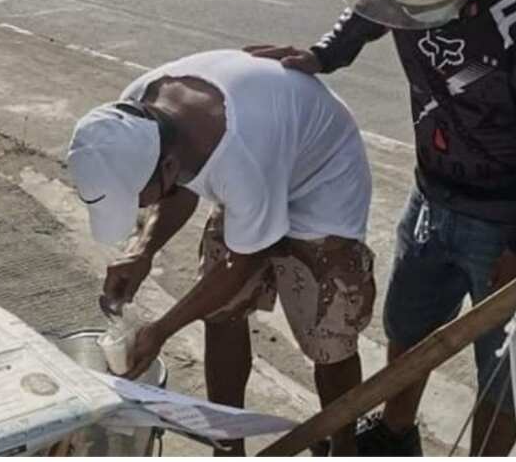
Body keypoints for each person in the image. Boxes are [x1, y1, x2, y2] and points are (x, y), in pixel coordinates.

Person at [248, 0, 516, 456]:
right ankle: (395, 432)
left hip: (506, 221)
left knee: (503, 365)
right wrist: (325, 54)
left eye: (428, 10)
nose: (413, 21)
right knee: (408, 325)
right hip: (431, 195)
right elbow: (370, 9)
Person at [66, 49, 376, 456]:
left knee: (328, 334)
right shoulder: (133, 116)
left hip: (322, 181)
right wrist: (142, 251)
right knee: (220, 311)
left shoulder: (237, 153)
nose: (140, 208)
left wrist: (160, 330)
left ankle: (342, 445)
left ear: (169, 166)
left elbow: (241, 260)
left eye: (138, 199)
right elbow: (179, 189)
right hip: (260, 163)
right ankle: (227, 446)